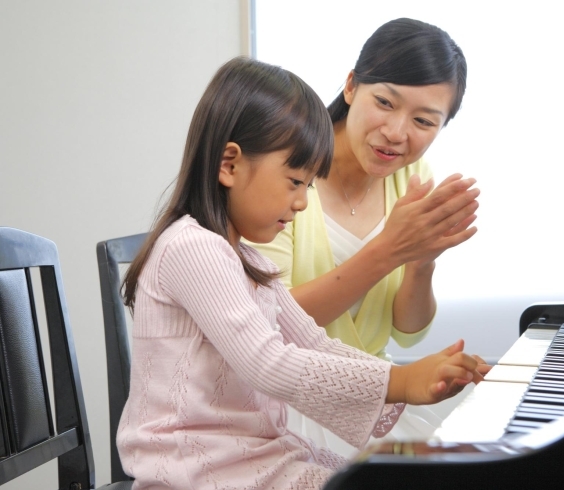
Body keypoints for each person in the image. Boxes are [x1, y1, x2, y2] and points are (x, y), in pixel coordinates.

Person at [116, 56, 487, 490]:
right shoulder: (191, 247)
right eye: (295, 181)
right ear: (229, 165)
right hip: (195, 471)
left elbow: (311, 341)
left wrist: (409, 377)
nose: (302, 202)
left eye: (309, 185)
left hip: (252, 456)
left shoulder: (250, 262)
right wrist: (400, 381)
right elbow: (267, 364)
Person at [248, 18, 481, 452]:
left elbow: (408, 332)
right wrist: (390, 248)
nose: (396, 133)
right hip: (288, 395)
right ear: (352, 86)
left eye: (424, 121)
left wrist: (422, 260)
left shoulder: (412, 177)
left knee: (487, 435)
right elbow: (268, 322)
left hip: (369, 388)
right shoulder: (283, 166)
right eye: (386, 102)